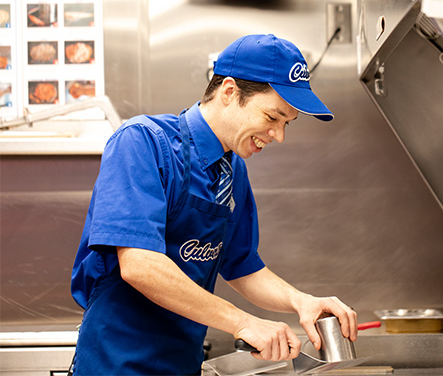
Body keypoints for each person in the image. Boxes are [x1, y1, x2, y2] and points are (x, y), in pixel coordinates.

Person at [70, 34, 357, 375]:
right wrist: (243, 322)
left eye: (286, 124)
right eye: (272, 117)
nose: (278, 136)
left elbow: (242, 267)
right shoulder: (143, 142)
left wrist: (301, 301)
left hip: (182, 364)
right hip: (115, 363)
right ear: (229, 92)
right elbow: (140, 265)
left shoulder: (233, 170)